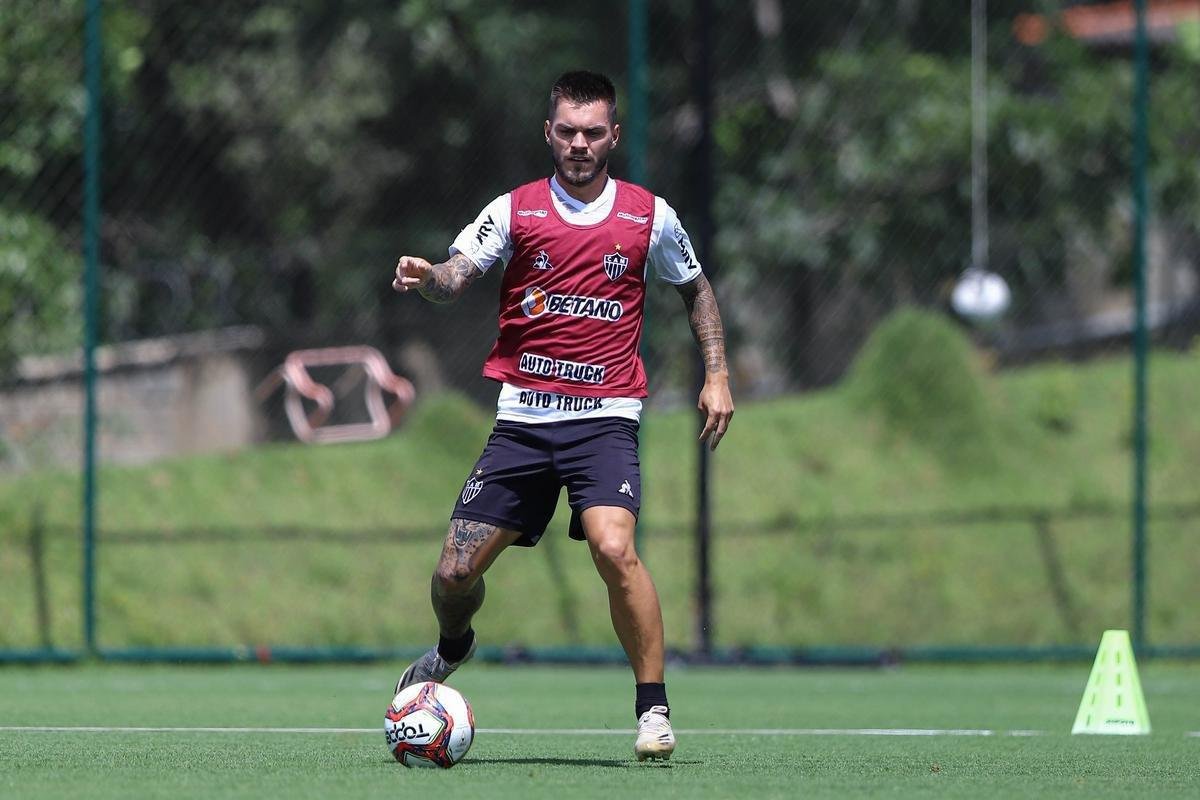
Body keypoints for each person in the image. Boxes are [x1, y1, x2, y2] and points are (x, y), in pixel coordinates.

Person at [390, 70, 734, 762]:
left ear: (614, 136)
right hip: (522, 422)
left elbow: (696, 288)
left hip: (605, 420)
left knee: (614, 548)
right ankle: (453, 647)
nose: (580, 144)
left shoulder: (649, 216)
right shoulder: (514, 210)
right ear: (549, 133)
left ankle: (653, 710)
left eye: (593, 132)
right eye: (568, 132)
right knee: (453, 575)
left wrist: (717, 373)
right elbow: (456, 275)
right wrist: (429, 279)